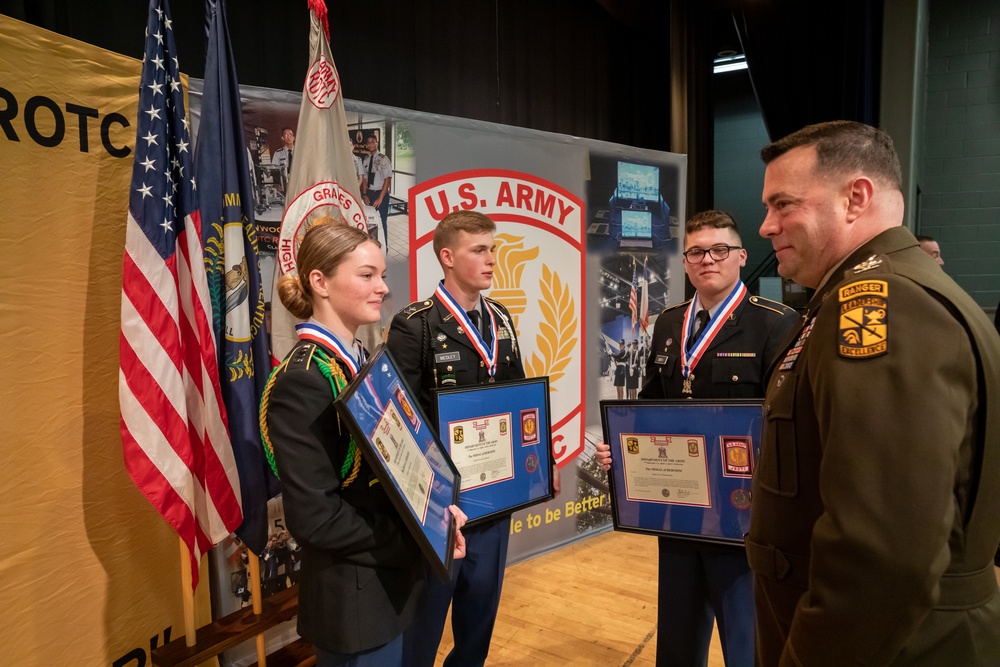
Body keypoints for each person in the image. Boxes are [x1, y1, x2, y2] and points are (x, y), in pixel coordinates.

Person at [749, 120, 1000, 665]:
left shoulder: (879, 302)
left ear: (855, 198)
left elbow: (883, 557)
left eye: (783, 204)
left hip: (895, 646)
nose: (767, 226)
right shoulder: (875, 291)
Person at [596, 210, 798, 667]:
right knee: (678, 638)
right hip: (679, 507)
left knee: (745, 642)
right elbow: (650, 404)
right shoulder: (669, 323)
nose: (708, 259)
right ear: (685, 262)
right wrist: (621, 447)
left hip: (742, 515)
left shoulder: (776, 323)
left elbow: (785, 425)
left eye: (720, 249)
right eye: (696, 252)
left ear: (742, 257)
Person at [260, 222, 467, 666]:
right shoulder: (304, 379)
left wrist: (437, 520)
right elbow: (316, 518)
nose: (383, 289)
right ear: (320, 282)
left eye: (382, 276)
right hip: (354, 600)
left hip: (390, 586)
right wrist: (417, 541)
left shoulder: (357, 361)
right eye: (367, 276)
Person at [387, 210, 559, 667]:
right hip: (443, 505)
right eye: (479, 250)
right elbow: (400, 420)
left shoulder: (500, 318)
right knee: (425, 621)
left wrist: (542, 463)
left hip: (494, 498)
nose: (491, 260)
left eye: (493, 249)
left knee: (480, 617)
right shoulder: (416, 325)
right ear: (447, 256)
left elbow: (522, 396)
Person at [362, 134, 392, 246]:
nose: (370, 144)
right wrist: (365, 194)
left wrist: (380, 198)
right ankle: (372, 245)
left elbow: (387, 179)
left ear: (377, 143)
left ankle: (384, 248)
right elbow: (365, 179)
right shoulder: (366, 160)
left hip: (381, 194)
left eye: (372, 141)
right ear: (366, 145)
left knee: (382, 221)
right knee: (370, 221)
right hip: (370, 194)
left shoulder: (383, 159)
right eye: (368, 142)